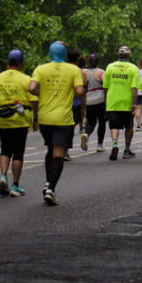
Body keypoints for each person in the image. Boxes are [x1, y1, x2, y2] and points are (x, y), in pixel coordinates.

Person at [29, 41, 85, 205]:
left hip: (45, 117)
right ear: (65, 55)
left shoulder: (40, 69)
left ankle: (48, 182)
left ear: (50, 54)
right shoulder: (73, 69)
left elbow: (31, 88)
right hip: (63, 118)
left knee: (51, 149)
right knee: (59, 154)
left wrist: (43, 91)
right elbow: (80, 91)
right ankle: (51, 189)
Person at [0, 49, 38, 197]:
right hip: (20, 120)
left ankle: (3, 176)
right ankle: (15, 185)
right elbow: (34, 101)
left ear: (8, 63)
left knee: (5, 149)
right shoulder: (26, 79)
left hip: (2, 119)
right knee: (18, 152)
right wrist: (36, 119)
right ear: (21, 64)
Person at [102, 46, 139, 161]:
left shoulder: (110, 67)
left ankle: (114, 144)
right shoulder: (133, 68)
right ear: (129, 55)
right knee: (129, 126)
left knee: (114, 126)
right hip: (126, 102)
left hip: (113, 101)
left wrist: (109, 98)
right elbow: (134, 88)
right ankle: (127, 150)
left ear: (118, 55)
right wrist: (134, 102)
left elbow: (105, 87)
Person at [83, 53, 106, 152]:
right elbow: (105, 85)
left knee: (91, 122)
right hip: (100, 99)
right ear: (98, 62)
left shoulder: (84, 73)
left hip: (89, 100)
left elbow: (83, 86)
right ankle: (99, 145)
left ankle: (86, 134)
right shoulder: (101, 72)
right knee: (102, 122)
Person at [134, 58, 142, 132]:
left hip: (136, 92)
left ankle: (139, 124)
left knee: (137, 108)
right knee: (141, 108)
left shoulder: (136, 71)